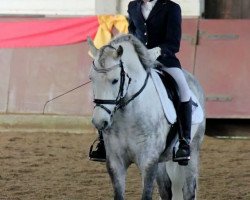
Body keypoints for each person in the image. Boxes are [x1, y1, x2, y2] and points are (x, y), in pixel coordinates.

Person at [89, 0, 192, 165]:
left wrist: (157, 51)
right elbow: (131, 35)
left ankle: (184, 142)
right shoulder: (133, 6)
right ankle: (103, 142)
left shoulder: (172, 8)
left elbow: (173, 42)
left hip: (165, 61)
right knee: (110, 87)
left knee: (183, 90)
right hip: (137, 63)